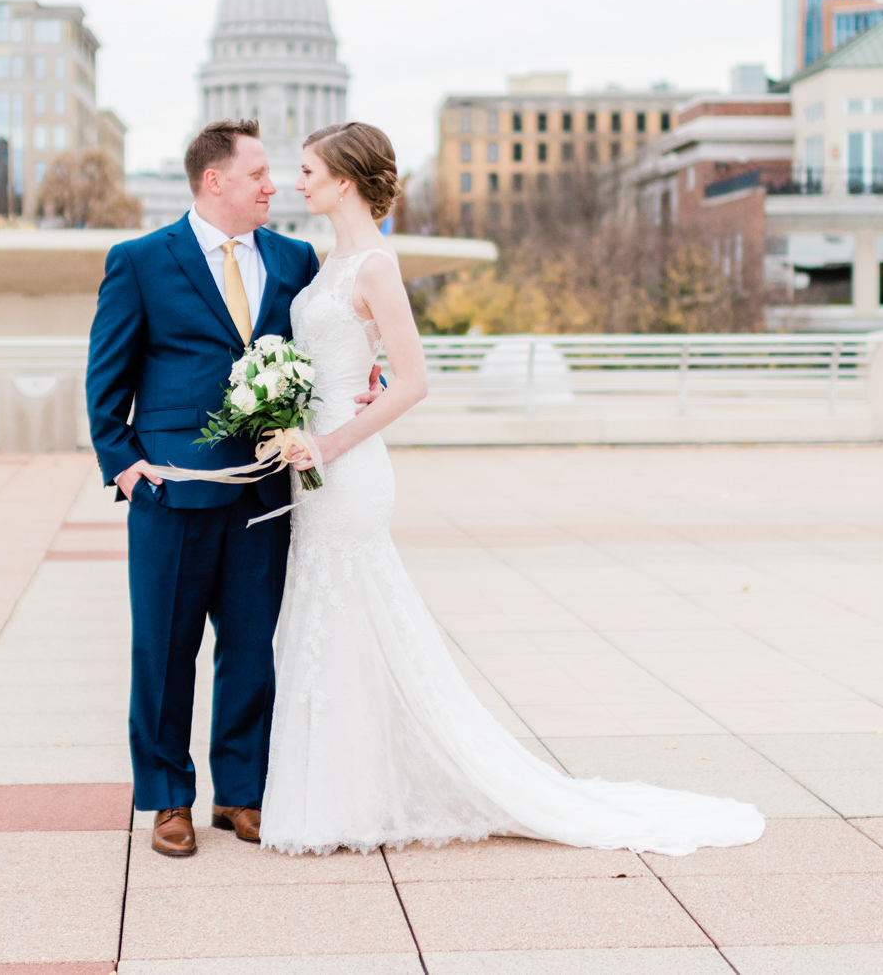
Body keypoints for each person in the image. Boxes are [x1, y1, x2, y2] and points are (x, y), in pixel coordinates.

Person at [258, 121, 767, 857]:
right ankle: (338, 791)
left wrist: (334, 440)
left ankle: (354, 798)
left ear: (342, 178)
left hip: (350, 465)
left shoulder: (373, 264)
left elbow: (415, 380)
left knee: (354, 612)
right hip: (313, 460)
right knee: (324, 619)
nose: (296, 180)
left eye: (306, 170)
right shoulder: (328, 259)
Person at [85, 119, 320, 858]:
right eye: (258, 174)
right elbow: (106, 379)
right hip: (171, 494)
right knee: (163, 651)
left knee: (252, 649)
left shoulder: (295, 259)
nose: (272, 186)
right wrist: (124, 465)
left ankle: (242, 797)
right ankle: (168, 800)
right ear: (213, 180)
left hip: (262, 492)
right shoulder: (140, 261)